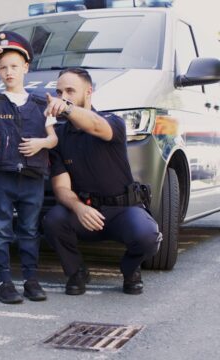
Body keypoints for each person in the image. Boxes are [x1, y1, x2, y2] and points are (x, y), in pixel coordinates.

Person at [42, 67, 162, 296]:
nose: (63, 96)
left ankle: (130, 269)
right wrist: (79, 208)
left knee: (147, 235)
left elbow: (95, 126)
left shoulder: (112, 121)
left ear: (88, 92)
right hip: (86, 212)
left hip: (122, 211)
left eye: (70, 90)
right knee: (53, 220)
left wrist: (67, 108)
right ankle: (77, 272)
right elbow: (61, 187)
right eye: (59, 92)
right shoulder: (60, 137)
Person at [0, 32, 58, 304]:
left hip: (32, 178)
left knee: (30, 230)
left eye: (14, 66)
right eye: (3, 67)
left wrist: (41, 143)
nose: (8, 72)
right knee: (1, 230)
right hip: (2, 179)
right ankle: (4, 282)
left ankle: (31, 280)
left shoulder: (42, 102)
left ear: (26, 68)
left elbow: (53, 138)